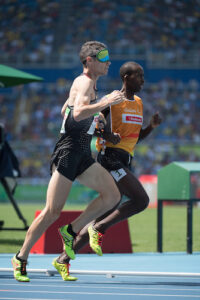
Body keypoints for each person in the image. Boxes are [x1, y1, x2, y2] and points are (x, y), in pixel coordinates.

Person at [11, 41, 125, 282]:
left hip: (82, 153)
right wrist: (104, 103)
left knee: (112, 196)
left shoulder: (86, 84)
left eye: (108, 57)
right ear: (89, 61)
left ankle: (71, 230)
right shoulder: (84, 81)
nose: (109, 62)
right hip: (68, 152)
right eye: (103, 58)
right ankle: (21, 257)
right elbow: (75, 113)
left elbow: (67, 111)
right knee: (51, 212)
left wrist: (96, 119)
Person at [53, 61, 162, 281]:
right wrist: (105, 135)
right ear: (126, 77)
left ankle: (63, 259)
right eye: (139, 76)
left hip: (124, 159)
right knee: (140, 200)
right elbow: (87, 122)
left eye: (142, 76)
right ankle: (99, 229)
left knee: (104, 211)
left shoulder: (139, 103)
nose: (143, 80)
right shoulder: (112, 100)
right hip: (110, 159)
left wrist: (150, 127)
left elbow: (135, 138)